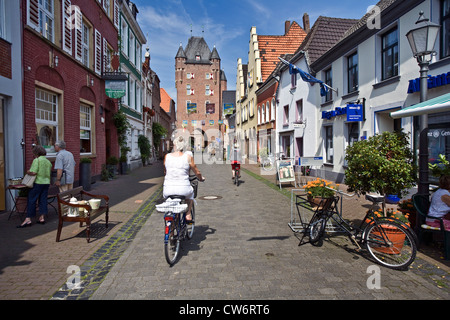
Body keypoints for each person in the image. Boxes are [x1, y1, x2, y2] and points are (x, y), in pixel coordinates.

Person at [163, 136, 205, 223]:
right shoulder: (188, 157)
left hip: (168, 189)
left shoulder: (167, 157)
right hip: (183, 189)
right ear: (183, 147)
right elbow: (197, 171)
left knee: (172, 211)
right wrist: (201, 178)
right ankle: (188, 214)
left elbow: (165, 171)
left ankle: (170, 232)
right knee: (190, 195)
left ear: (174, 145)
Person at [17, 145, 52, 227]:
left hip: (37, 183)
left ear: (36, 152)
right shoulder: (48, 161)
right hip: (46, 183)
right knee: (43, 200)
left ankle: (28, 219)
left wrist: (28, 171)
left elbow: (34, 172)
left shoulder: (37, 160)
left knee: (32, 200)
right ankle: (42, 217)